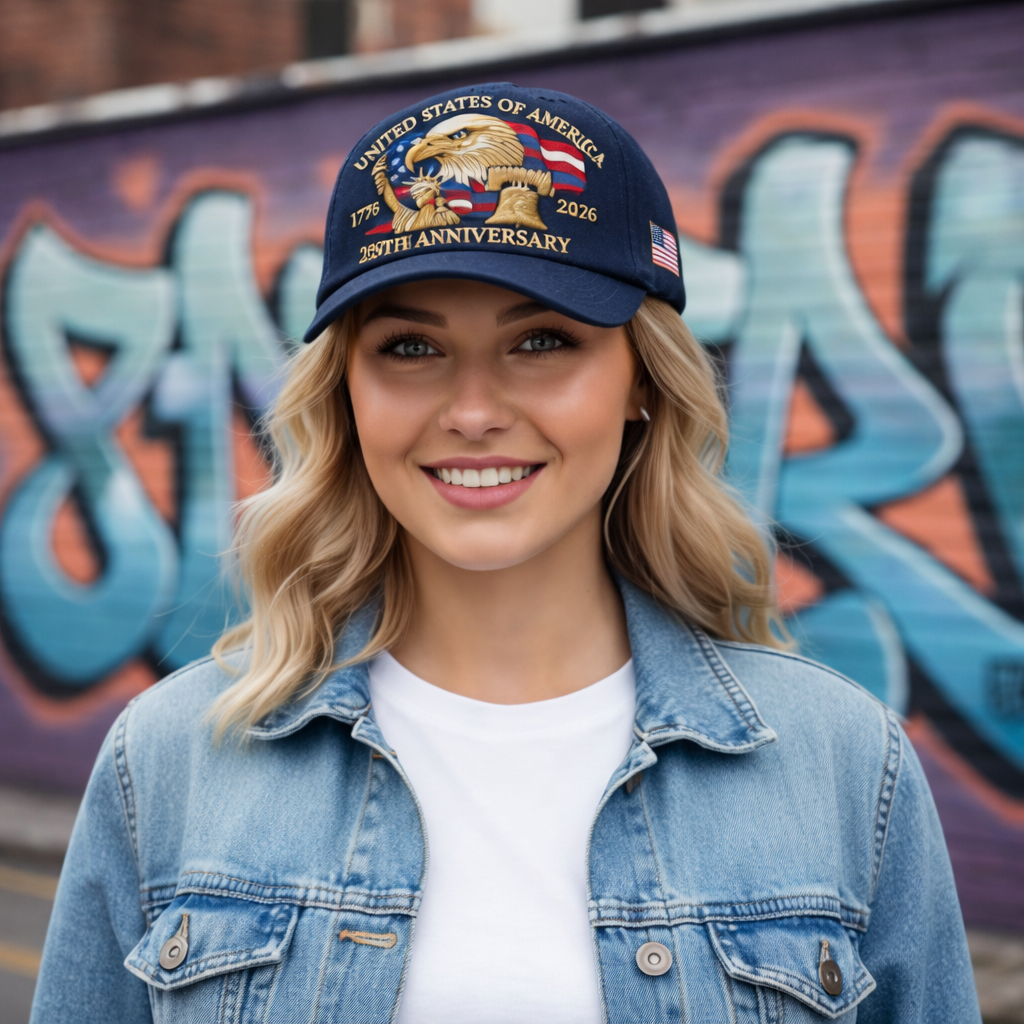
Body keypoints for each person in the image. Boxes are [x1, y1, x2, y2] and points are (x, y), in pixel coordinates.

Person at [31, 83, 980, 1024]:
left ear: (642, 382)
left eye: (541, 340)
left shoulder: (845, 766)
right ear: (346, 396)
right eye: (410, 348)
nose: (475, 412)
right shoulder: (170, 760)